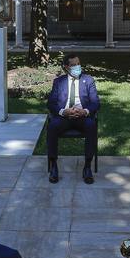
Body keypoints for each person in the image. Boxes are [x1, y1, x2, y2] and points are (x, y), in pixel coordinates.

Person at [46, 54, 99, 184]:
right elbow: (51, 103)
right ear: (66, 67)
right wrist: (64, 111)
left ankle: (87, 167)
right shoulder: (58, 82)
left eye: (78, 64)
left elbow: (95, 103)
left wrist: (85, 111)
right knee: (52, 126)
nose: (77, 67)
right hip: (64, 117)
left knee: (91, 126)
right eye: (74, 65)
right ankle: (54, 166)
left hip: (82, 117)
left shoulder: (88, 80)